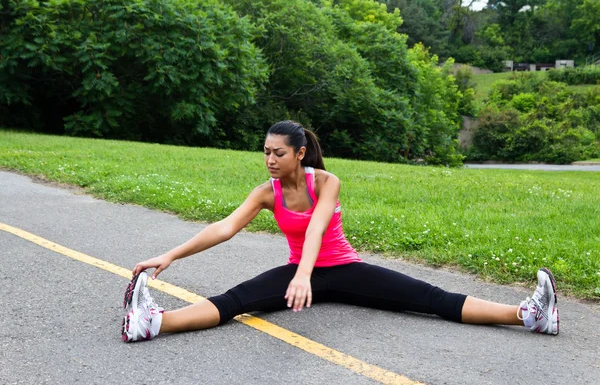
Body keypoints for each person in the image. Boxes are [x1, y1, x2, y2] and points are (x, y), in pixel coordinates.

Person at [121, 121, 559, 342]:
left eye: (278, 153)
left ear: (300, 152)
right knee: (234, 301)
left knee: (431, 300)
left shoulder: (326, 182)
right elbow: (224, 228)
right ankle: (152, 323)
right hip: (301, 273)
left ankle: (528, 316)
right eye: (265, 153)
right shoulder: (266, 192)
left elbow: (316, 229)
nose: (270, 160)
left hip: (343, 269)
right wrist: (170, 255)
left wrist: (303, 275)